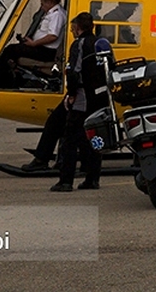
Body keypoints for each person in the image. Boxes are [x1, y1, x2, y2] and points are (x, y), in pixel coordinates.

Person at [50, 12, 109, 192]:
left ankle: (66, 181)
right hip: (101, 97)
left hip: (83, 97)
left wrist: (71, 93)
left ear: (78, 27)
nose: (72, 31)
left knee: (70, 139)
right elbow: (109, 68)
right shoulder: (102, 43)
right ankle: (92, 179)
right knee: (94, 136)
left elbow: (74, 71)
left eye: (73, 28)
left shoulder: (79, 44)